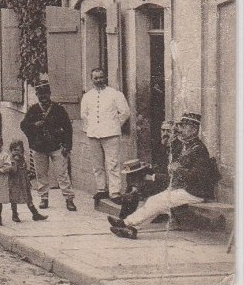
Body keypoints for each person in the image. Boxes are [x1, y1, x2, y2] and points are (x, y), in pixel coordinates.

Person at [110, 113, 219, 239]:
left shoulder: (199, 149)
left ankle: (126, 223)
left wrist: (178, 169)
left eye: (185, 126)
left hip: (195, 192)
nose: (181, 129)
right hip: (182, 188)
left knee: (156, 202)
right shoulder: (187, 146)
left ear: (194, 130)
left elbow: (197, 176)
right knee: (154, 202)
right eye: (181, 126)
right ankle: (131, 227)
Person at [20, 82, 77, 211]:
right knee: (41, 174)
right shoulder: (33, 110)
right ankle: (43, 198)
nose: (43, 97)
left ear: (50, 94)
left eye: (45, 94)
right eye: (40, 94)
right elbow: (23, 125)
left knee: (62, 174)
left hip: (57, 147)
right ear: (37, 95)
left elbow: (68, 128)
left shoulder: (58, 109)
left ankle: (69, 199)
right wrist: (35, 125)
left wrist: (67, 146)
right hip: (39, 148)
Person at [80, 68, 131, 207]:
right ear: (92, 80)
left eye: (101, 77)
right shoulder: (87, 96)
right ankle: (101, 189)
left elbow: (125, 113)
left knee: (113, 164)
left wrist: (114, 124)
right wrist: (92, 126)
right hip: (93, 134)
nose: (99, 80)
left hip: (111, 134)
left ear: (105, 77)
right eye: (96, 78)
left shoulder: (115, 94)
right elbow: (84, 115)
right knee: (97, 165)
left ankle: (115, 192)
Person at [8, 140, 48, 222]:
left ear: (22, 151)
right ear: (11, 150)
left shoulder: (23, 158)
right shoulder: (11, 159)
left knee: (28, 198)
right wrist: (15, 161)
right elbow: (13, 170)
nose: (16, 152)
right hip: (14, 182)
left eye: (18, 150)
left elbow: (25, 169)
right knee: (14, 198)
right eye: (14, 150)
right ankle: (14, 214)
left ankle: (35, 214)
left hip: (23, 181)